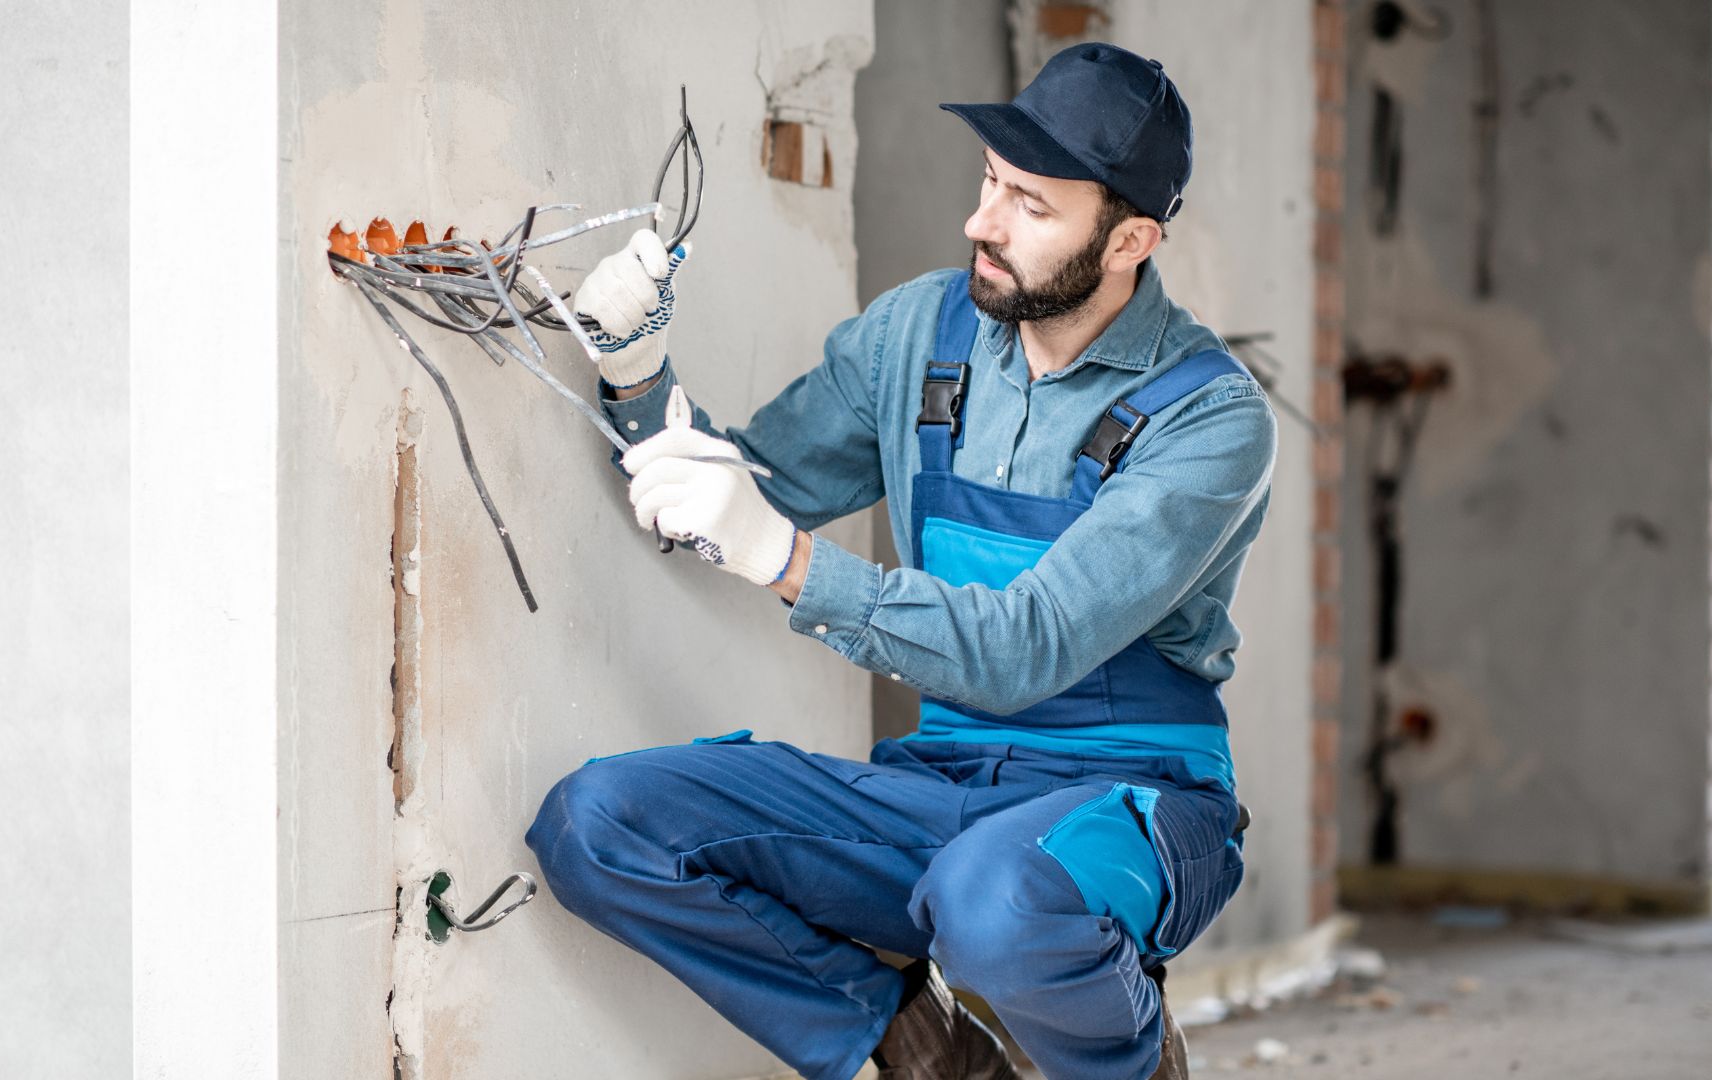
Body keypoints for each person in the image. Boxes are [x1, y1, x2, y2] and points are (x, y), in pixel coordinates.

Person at [526, 42, 1276, 1080]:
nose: (983, 222)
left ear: (1130, 240)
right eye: (990, 183)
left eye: (1032, 205)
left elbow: (1030, 643)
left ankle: (1135, 1065)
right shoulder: (921, 332)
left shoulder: (1209, 417)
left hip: (1131, 809)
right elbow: (750, 488)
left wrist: (786, 563)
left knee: (993, 900)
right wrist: (637, 379)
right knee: (599, 822)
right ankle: (921, 1051)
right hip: (943, 791)